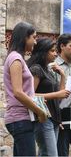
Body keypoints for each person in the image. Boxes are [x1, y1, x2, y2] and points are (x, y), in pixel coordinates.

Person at [3, 22, 47, 156]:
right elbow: (17, 92)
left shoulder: (17, 58)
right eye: (34, 37)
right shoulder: (16, 58)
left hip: (21, 119)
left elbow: (23, 91)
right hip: (19, 119)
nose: (35, 41)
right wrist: (40, 112)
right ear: (24, 38)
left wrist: (37, 102)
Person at [27, 38, 71, 156]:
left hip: (55, 119)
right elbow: (29, 95)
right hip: (43, 118)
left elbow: (61, 95)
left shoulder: (48, 71)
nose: (56, 53)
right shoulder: (36, 69)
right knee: (50, 154)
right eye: (52, 51)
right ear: (43, 52)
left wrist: (62, 75)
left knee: (45, 154)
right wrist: (56, 94)